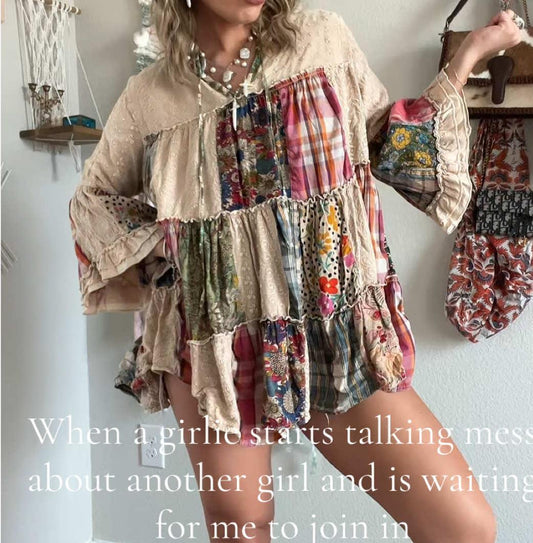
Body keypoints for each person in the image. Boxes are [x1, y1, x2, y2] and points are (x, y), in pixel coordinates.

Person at [68, 1, 522, 541]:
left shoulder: (320, 41)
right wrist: (175, 260)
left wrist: (466, 57)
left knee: (464, 526)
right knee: (242, 525)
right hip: (217, 347)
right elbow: (93, 202)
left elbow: (389, 146)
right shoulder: (150, 99)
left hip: (331, 329)